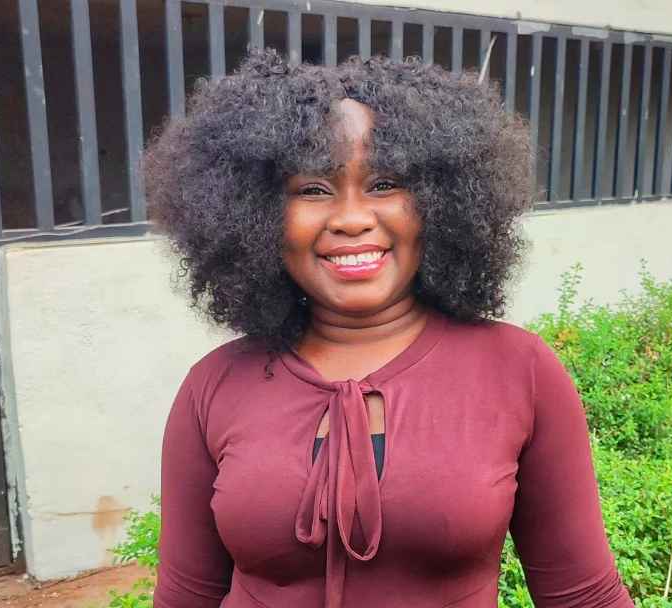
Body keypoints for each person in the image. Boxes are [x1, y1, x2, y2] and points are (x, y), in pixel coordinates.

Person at [144, 48, 633, 608]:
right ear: (253, 215)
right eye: (312, 189)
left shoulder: (520, 370)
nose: (352, 219)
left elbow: (584, 597)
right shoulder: (214, 385)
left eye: (384, 184)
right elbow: (186, 595)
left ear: (442, 203)